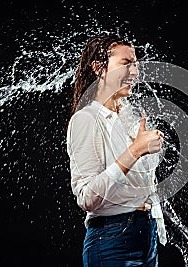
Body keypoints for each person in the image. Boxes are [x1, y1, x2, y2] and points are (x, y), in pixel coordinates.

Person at [66, 33, 167, 267]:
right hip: (111, 242)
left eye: (136, 64)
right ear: (99, 68)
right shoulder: (86, 119)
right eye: (126, 63)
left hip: (145, 236)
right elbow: (88, 197)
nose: (136, 72)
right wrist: (134, 151)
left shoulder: (129, 115)